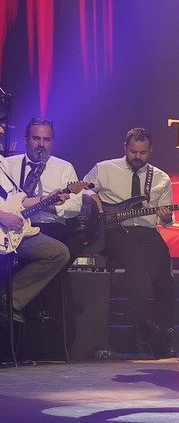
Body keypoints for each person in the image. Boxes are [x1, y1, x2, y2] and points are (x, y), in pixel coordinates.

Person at [84, 128, 177, 358]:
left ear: (150, 151)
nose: (137, 157)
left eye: (143, 153)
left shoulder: (161, 178)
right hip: (114, 230)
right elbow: (81, 191)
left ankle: (162, 334)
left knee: (165, 276)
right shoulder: (104, 169)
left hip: (146, 230)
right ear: (125, 147)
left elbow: (166, 220)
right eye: (133, 151)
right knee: (136, 264)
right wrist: (95, 201)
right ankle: (143, 326)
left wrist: (166, 217)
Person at [2, 117, 89, 322]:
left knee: (64, 248)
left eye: (46, 139)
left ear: (52, 142)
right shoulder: (7, 164)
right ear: (26, 139)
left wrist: (50, 205)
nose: (41, 144)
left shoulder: (63, 167)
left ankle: (18, 301)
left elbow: (74, 207)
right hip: (11, 225)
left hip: (50, 225)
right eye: (36, 138)